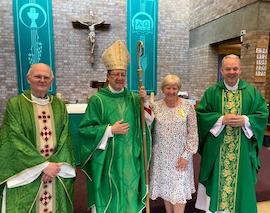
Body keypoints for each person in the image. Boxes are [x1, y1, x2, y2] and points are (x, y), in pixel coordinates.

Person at [79, 40, 153, 213]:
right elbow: (85, 130)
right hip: (107, 162)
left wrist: (145, 102)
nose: (120, 78)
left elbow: (147, 122)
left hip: (130, 161)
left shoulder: (134, 98)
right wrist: (109, 130)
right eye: (116, 74)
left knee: (130, 198)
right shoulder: (97, 100)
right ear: (108, 76)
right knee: (109, 198)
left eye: (122, 74)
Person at [195, 54, 269, 213]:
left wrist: (246, 120)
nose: (232, 72)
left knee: (241, 187)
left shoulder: (251, 92)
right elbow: (201, 115)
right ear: (221, 71)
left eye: (235, 68)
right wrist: (220, 119)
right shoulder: (212, 92)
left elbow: (262, 115)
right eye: (228, 69)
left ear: (240, 70)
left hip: (242, 150)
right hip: (217, 150)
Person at [0, 63, 76, 212]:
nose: (42, 80)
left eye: (46, 77)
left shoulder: (59, 106)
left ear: (51, 81)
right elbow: (13, 139)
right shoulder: (16, 105)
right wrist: (43, 166)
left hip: (55, 172)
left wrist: (53, 166)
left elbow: (65, 139)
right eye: (37, 76)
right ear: (28, 79)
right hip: (27, 173)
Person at [149, 74, 199, 213]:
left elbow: (193, 133)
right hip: (161, 158)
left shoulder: (188, 107)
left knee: (178, 193)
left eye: (174, 88)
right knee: (167, 191)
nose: (171, 91)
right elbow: (148, 129)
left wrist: (186, 156)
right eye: (168, 88)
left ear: (179, 89)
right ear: (162, 89)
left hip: (180, 158)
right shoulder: (156, 107)